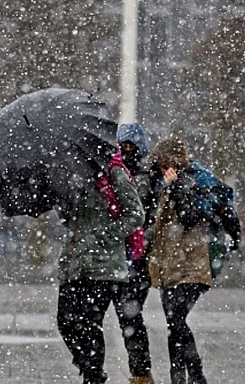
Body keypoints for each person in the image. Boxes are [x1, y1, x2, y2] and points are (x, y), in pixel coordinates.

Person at [57, 148, 145, 384]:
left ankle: (93, 375)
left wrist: (104, 236)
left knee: (89, 323)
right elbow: (70, 219)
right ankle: (90, 368)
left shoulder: (113, 173)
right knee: (65, 322)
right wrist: (63, 201)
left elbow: (136, 214)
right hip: (73, 263)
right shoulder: (72, 175)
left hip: (103, 265)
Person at [147, 136, 215, 384]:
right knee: (173, 324)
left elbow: (189, 217)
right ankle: (178, 378)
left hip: (191, 266)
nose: (160, 167)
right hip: (168, 267)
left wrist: (176, 188)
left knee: (176, 320)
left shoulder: (189, 182)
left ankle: (196, 375)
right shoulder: (162, 185)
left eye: (163, 162)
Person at [114, 123, 156, 384]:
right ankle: (140, 371)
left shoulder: (145, 176)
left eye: (132, 146)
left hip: (136, 257)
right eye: (123, 146)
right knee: (128, 317)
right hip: (124, 256)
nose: (128, 151)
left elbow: (141, 213)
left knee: (129, 316)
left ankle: (140, 372)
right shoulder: (118, 173)